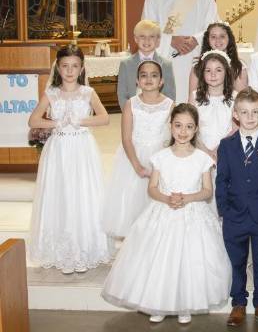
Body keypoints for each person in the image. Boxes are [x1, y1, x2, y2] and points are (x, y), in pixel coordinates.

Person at [101, 104, 231, 324]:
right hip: (163, 211)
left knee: (190, 261)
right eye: (178, 125)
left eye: (189, 127)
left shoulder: (202, 158)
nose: (183, 131)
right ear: (170, 126)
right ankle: (159, 302)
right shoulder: (161, 157)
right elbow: (151, 188)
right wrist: (167, 198)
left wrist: (187, 198)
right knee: (161, 261)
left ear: (196, 129)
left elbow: (208, 191)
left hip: (193, 214)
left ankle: (185, 303)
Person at [28, 45, 111, 274]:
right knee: (61, 194)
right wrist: (56, 123)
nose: (70, 70)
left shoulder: (88, 93)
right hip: (59, 149)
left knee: (82, 194)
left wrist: (81, 120)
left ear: (82, 68)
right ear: (58, 68)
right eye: (65, 66)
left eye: (75, 66)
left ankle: (84, 249)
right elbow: (34, 120)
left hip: (82, 148)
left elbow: (104, 118)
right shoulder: (51, 94)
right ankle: (61, 251)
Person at [216, 88, 258, 327]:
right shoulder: (225, 145)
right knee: (237, 261)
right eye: (244, 112)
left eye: (255, 111)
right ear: (235, 114)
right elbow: (222, 179)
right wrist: (223, 208)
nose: (250, 116)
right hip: (235, 215)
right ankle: (238, 303)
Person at [102, 60, 174, 239]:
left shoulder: (170, 104)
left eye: (154, 75)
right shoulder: (131, 104)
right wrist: (136, 165)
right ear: (137, 81)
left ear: (161, 81)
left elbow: (172, 136)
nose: (149, 79)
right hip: (133, 156)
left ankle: (155, 234)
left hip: (159, 156)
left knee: (156, 197)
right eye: (144, 75)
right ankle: (134, 237)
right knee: (132, 198)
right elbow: (126, 138)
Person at [142, 0, 218, 103]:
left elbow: (213, 26)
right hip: (166, 58)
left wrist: (196, 39)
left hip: (195, 57)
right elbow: (146, 30)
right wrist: (171, 39)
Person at [190, 50, 237, 213]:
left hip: (226, 152)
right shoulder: (195, 97)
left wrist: (217, 150)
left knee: (223, 193)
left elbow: (235, 129)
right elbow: (190, 126)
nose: (213, 75)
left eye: (218, 70)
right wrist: (205, 151)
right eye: (208, 70)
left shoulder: (235, 98)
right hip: (200, 150)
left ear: (226, 73)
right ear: (202, 74)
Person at [117, 20, 175, 110]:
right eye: (142, 36)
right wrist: (129, 113)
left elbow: (170, 95)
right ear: (136, 39)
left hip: (159, 114)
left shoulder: (166, 65)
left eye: (151, 37)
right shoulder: (125, 64)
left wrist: (164, 115)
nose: (147, 40)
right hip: (133, 113)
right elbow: (122, 94)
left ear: (158, 40)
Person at [188, 22, 248, 98]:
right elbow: (191, 97)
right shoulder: (198, 65)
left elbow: (243, 97)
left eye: (222, 36)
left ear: (229, 38)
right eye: (213, 37)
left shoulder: (239, 65)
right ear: (208, 40)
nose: (218, 40)